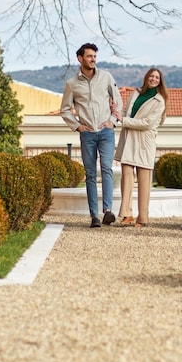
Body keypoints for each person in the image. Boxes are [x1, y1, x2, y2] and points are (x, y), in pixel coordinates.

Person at [60, 43, 123, 228]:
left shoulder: (106, 77)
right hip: (87, 134)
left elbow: (118, 101)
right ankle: (94, 215)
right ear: (80, 58)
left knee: (106, 168)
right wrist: (77, 126)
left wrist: (112, 120)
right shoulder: (72, 84)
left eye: (94, 56)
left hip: (106, 132)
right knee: (90, 174)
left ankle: (107, 211)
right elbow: (65, 110)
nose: (93, 59)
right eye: (89, 56)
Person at [114, 68, 167, 228]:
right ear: (146, 77)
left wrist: (124, 120)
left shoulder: (160, 101)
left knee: (144, 181)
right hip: (129, 140)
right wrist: (117, 113)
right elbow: (127, 112)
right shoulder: (135, 93)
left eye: (156, 77)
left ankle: (142, 218)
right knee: (126, 177)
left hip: (144, 142)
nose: (153, 79)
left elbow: (147, 123)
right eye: (151, 76)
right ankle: (127, 213)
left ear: (160, 81)